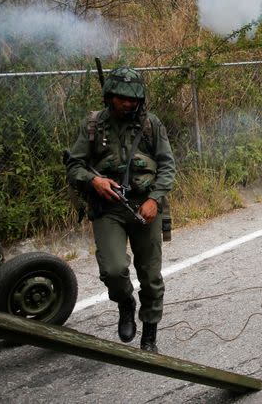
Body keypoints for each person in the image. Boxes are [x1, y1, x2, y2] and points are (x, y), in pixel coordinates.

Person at [66, 67, 175, 351]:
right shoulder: (92, 126)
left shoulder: (151, 125)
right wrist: (94, 181)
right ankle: (125, 302)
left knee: (151, 277)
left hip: (145, 207)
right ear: (109, 96)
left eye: (134, 99)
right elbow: (74, 165)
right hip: (109, 209)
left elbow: (167, 167)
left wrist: (154, 199)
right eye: (122, 98)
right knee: (113, 270)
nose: (129, 103)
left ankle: (149, 333)